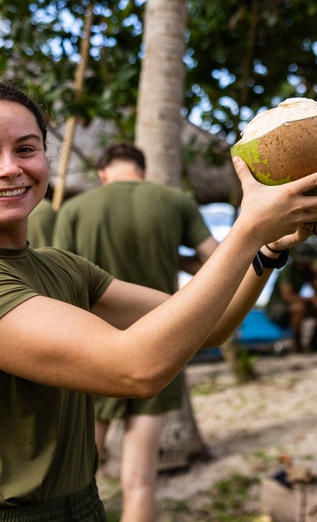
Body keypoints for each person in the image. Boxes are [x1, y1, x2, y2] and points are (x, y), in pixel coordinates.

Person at [0, 77, 317, 522]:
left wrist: (269, 247)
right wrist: (246, 228)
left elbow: (213, 325)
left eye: (26, 148)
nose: (10, 167)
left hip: (83, 505)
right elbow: (135, 369)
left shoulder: (63, 268)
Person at [51, 142, 218, 522]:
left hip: (92, 352)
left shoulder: (75, 210)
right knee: (141, 480)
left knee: (78, 473)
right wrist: (172, 257)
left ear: (103, 174)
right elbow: (216, 259)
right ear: (142, 171)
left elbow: (58, 284)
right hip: (159, 345)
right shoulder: (175, 201)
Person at [265, 242, 317, 353]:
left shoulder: (308, 271)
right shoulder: (288, 270)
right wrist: (311, 300)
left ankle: (315, 342)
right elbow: (288, 297)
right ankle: (297, 344)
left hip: (294, 305)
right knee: (299, 307)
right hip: (277, 308)